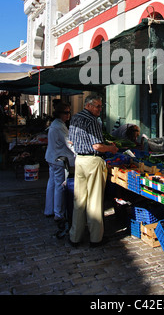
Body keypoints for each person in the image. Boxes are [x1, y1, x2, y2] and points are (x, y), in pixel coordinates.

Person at [68, 94, 118, 247]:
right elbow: (97, 146)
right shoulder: (92, 120)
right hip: (92, 161)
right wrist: (112, 148)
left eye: (101, 106)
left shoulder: (75, 118)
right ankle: (96, 238)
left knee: (79, 201)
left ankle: (75, 237)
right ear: (88, 106)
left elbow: (71, 140)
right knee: (94, 201)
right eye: (97, 106)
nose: (100, 109)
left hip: (80, 161)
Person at [44, 102, 76, 222]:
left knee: (52, 184)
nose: (68, 115)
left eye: (69, 112)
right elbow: (68, 143)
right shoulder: (59, 126)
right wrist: (79, 150)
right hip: (58, 160)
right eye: (66, 113)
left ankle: (49, 210)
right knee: (59, 186)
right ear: (60, 114)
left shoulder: (57, 124)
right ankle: (58, 213)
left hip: (52, 158)